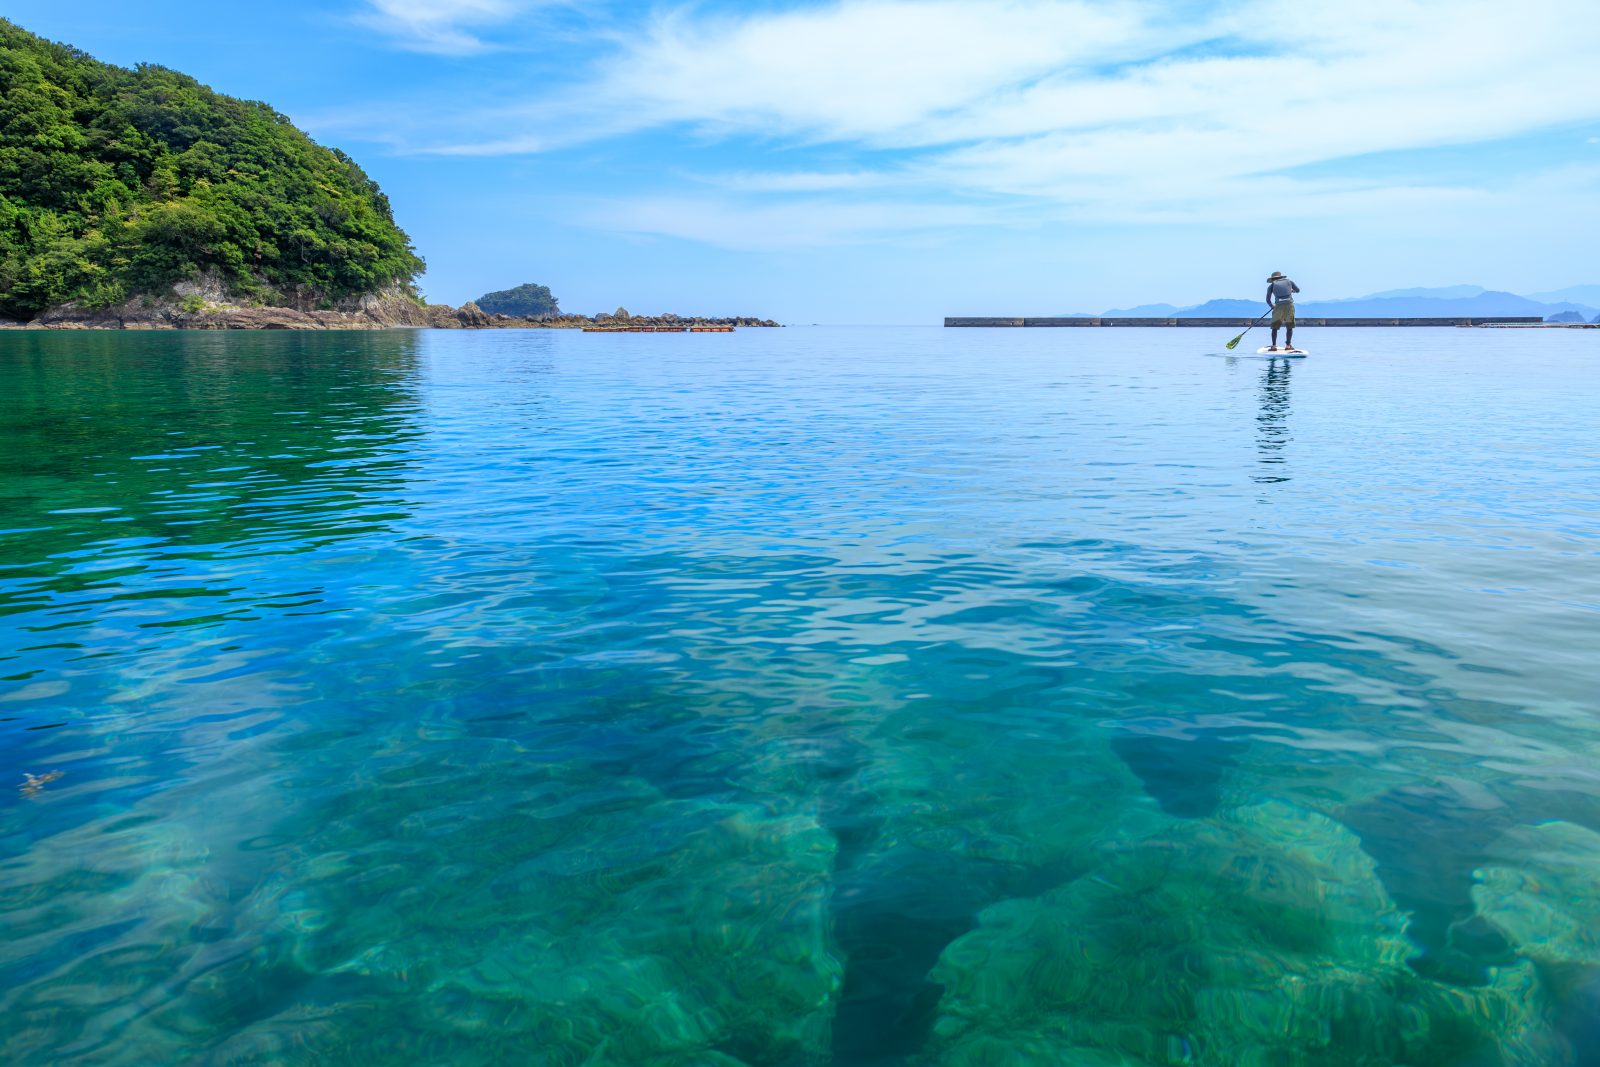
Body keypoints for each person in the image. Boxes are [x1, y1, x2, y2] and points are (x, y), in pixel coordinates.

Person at [1265, 271, 1300, 351]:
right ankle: (1288, 346)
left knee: (1274, 327)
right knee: (1289, 326)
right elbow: (1298, 290)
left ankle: (1274, 346)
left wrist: (1272, 306)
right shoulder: (1289, 282)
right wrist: (1292, 291)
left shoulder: (1271, 286)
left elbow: (1268, 300)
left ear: (1272, 279)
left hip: (1278, 307)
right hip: (1289, 306)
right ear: (1281, 277)